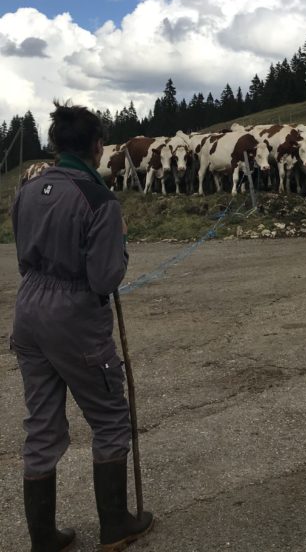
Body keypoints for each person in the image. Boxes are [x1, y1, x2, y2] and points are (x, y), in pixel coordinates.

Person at [10, 102, 153, 551]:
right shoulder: (98, 198)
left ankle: (43, 538)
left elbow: (21, 258)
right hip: (74, 315)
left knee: (42, 424)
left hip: (29, 309)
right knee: (110, 416)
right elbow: (105, 277)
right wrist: (120, 242)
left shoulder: (26, 191)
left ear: (55, 145)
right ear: (97, 147)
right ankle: (115, 526)